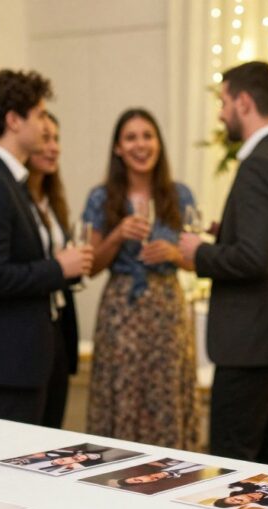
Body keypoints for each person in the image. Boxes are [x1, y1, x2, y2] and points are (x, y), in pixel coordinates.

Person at [179, 61, 268, 467]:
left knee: (234, 457)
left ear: (244, 102)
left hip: (252, 339)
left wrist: (198, 253)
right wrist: (226, 231)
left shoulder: (259, 163)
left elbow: (257, 258)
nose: (222, 113)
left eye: (224, 102)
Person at [0, 69, 92, 425]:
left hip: (26, 355)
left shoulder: (8, 181)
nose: (47, 127)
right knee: (13, 469)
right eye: (41, 115)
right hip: (8, 359)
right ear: (14, 120)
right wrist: (59, 268)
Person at [83, 108, 199, 448]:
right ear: (118, 147)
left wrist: (176, 255)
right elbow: (90, 266)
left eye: (147, 136)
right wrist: (117, 235)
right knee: (122, 390)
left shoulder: (179, 195)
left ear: (159, 144)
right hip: (122, 310)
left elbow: (197, 261)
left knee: (166, 393)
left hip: (167, 307)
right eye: (131, 137)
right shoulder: (101, 197)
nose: (140, 144)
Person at [25, 112, 80, 429]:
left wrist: (73, 266)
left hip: (57, 323)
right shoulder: (17, 198)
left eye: (57, 139)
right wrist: (61, 265)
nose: (54, 147)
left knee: (53, 427)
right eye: (46, 138)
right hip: (31, 328)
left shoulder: (52, 199)